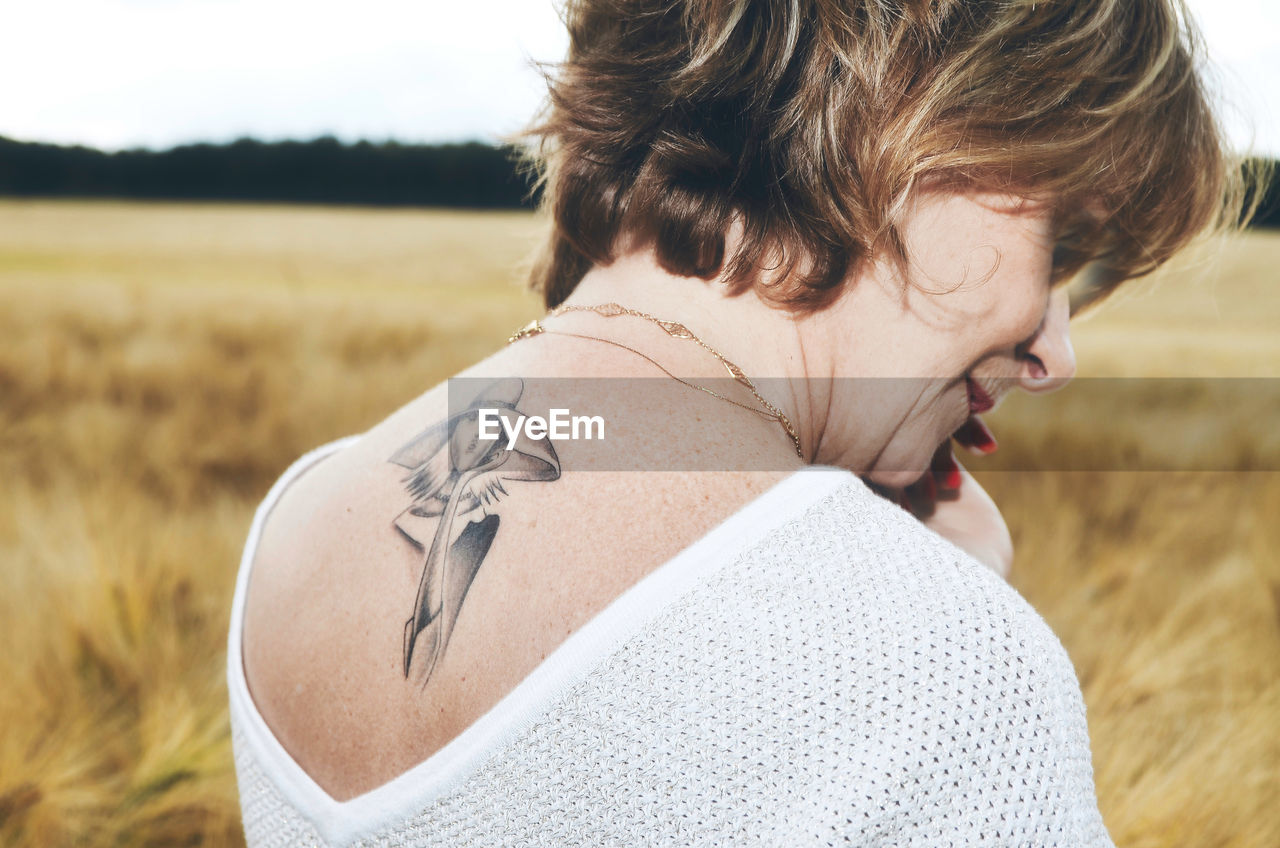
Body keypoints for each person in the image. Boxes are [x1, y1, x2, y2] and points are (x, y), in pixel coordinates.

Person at [227, 0, 1250, 844]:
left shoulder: (298, 518)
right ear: (909, 117)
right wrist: (925, 624)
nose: (1054, 355)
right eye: (1063, 246)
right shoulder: (933, 675)